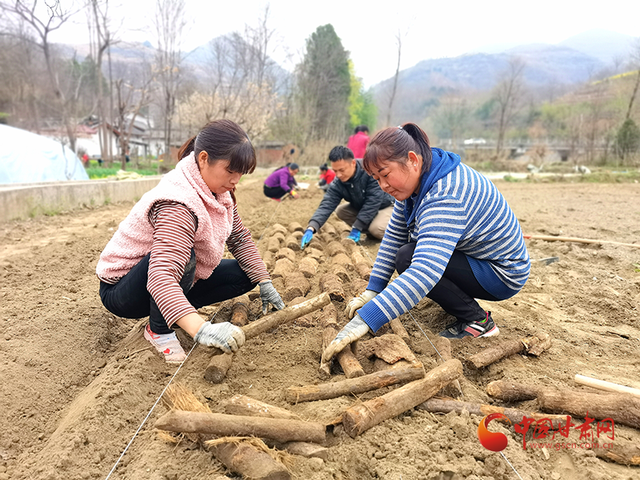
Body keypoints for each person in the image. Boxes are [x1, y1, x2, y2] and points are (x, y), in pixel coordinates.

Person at [322, 123, 531, 364]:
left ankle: (479, 322)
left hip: (502, 272)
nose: (383, 186)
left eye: (386, 174)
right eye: (376, 178)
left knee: (410, 258)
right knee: (404, 252)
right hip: (476, 258)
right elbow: (394, 234)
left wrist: (365, 320)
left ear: (412, 159)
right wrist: (374, 288)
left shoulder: (446, 192)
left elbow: (425, 270)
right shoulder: (419, 180)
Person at [96, 119, 285, 364]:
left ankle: (176, 309)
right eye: (231, 170)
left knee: (245, 274)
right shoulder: (179, 203)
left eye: (241, 173)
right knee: (186, 258)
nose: (236, 179)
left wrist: (264, 280)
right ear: (204, 158)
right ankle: (159, 330)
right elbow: (161, 276)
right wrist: (201, 329)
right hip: (123, 290)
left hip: (169, 275)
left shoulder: (219, 191)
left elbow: (238, 237)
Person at [300, 145, 394, 248]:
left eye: (342, 170)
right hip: (363, 207)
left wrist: (357, 227)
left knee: (377, 229)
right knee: (341, 210)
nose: (338, 175)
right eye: (335, 171)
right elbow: (326, 205)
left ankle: (393, 233)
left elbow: (373, 201)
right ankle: (371, 233)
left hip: (385, 206)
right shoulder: (338, 183)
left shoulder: (370, 170)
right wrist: (311, 228)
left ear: (353, 163)